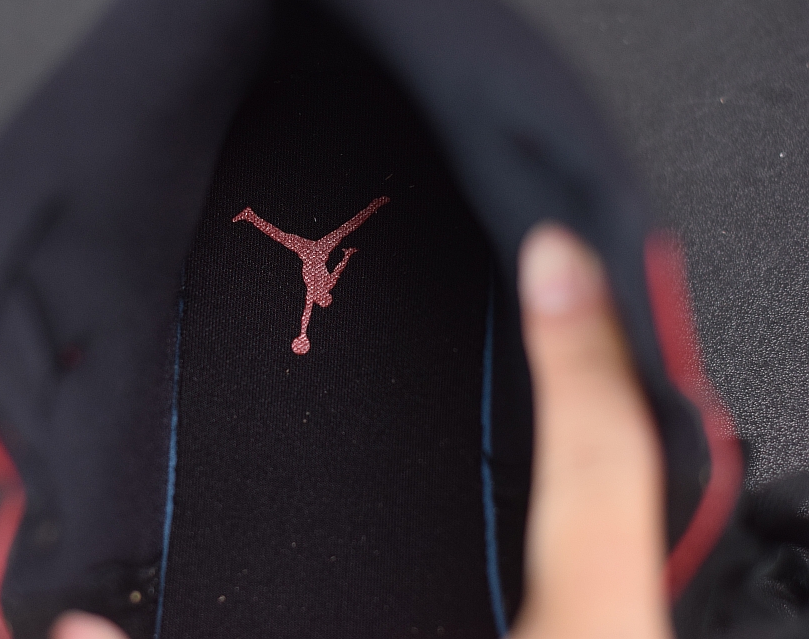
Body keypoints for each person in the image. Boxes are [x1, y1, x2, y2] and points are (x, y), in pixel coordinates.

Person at [49, 224, 674, 639]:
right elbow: (312, 294)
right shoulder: (316, 285)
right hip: (316, 248)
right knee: (314, 235)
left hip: (314, 249)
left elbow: (314, 294)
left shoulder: (317, 285)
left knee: (309, 236)